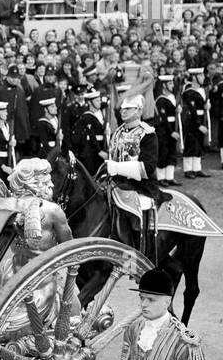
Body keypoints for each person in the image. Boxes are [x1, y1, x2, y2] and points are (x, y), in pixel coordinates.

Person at [104, 92, 163, 254]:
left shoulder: (148, 134)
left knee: (133, 211)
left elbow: (147, 168)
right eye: (122, 108)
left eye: (128, 109)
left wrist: (116, 168)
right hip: (117, 184)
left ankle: (138, 251)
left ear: (138, 111)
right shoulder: (117, 133)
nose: (123, 111)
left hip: (141, 186)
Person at [180, 67, 211, 179]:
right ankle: (188, 169)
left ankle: (197, 168)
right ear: (194, 77)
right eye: (200, 76)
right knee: (190, 144)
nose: (203, 78)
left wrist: (207, 107)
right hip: (192, 121)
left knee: (198, 144)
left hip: (201, 118)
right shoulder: (188, 92)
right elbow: (192, 110)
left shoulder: (202, 90)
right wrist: (198, 125)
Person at [70, 86, 108, 176]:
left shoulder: (99, 115)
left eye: (99, 100)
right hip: (91, 152)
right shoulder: (86, 117)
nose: (99, 103)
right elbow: (91, 136)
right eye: (97, 101)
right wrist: (99, 151)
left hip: (98, 150)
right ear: (90, 103)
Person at [153, 74, 181, 187]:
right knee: (163, 153)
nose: (172, 85)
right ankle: (161, 178)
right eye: (170, 83)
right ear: (164, 85)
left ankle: (170, 177)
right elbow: (164, 119)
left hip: (172, 129)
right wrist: (171, 132)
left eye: (172, 83)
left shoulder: (172, 97)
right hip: (164, 131)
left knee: (171, 153)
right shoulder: (161, 100)